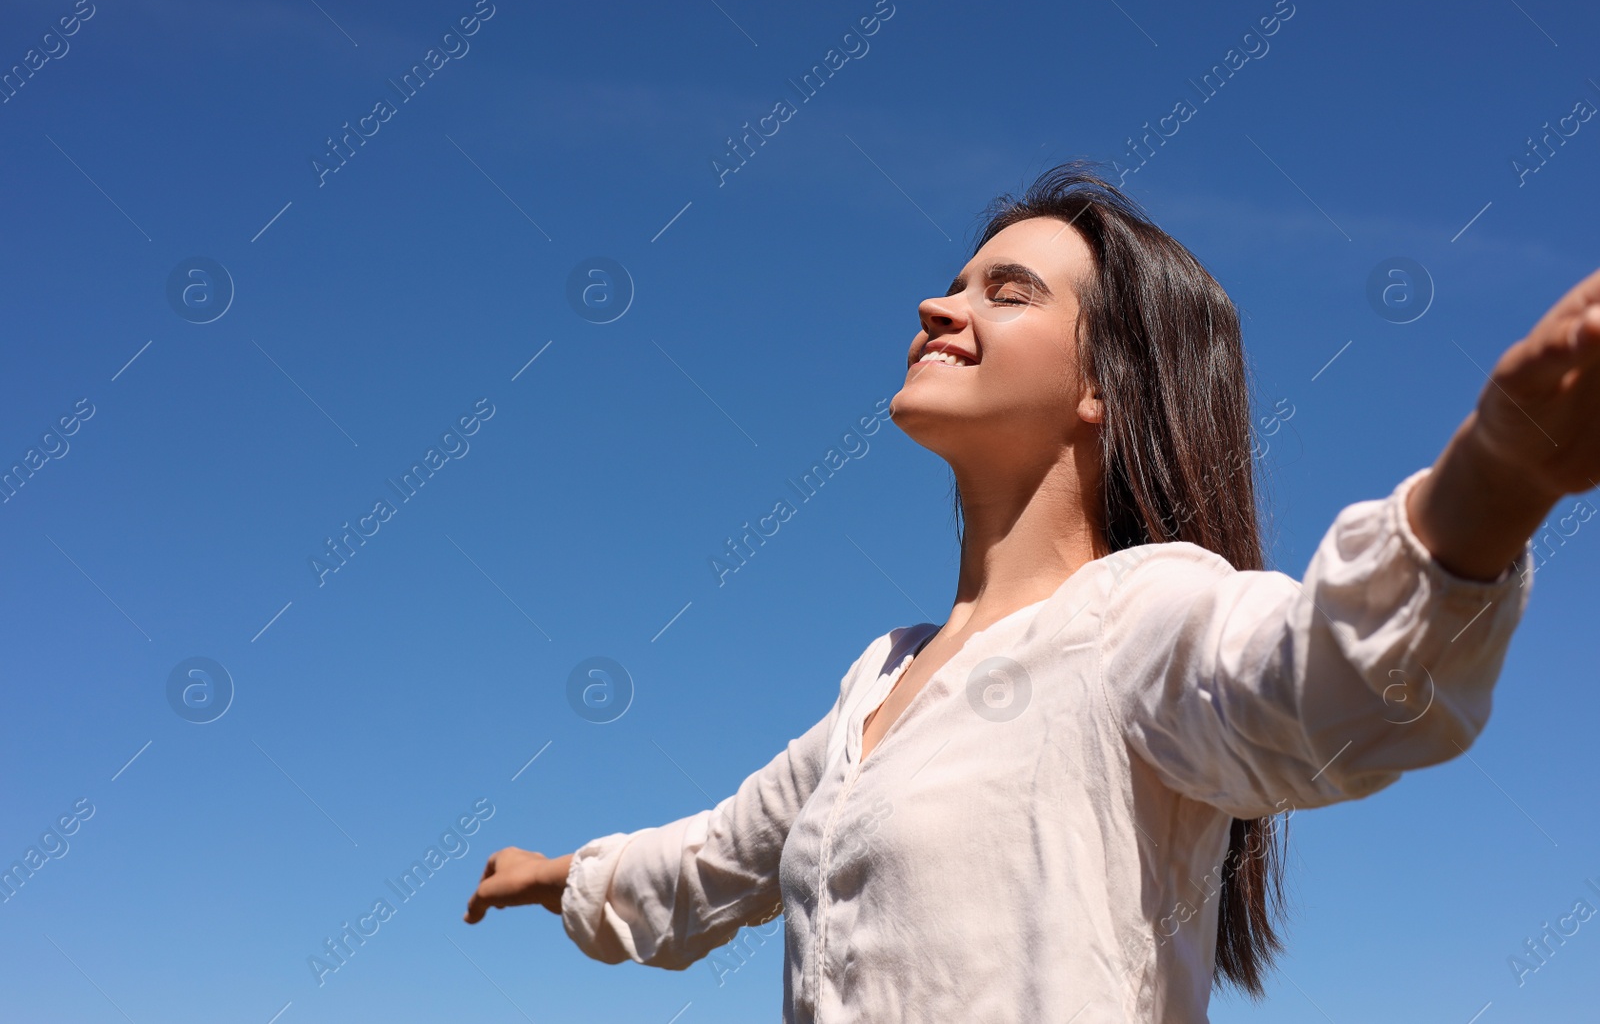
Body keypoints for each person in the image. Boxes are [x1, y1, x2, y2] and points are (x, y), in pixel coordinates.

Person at [462, 161, 1600, 1022]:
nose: (938, 308)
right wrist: (554, 874)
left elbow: (1327, 688)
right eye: (954, 283)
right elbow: (711, 858)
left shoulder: (1141, 616)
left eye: (1004, 293)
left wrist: (1497, 474)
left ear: (1103, 385)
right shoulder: (878, 678)